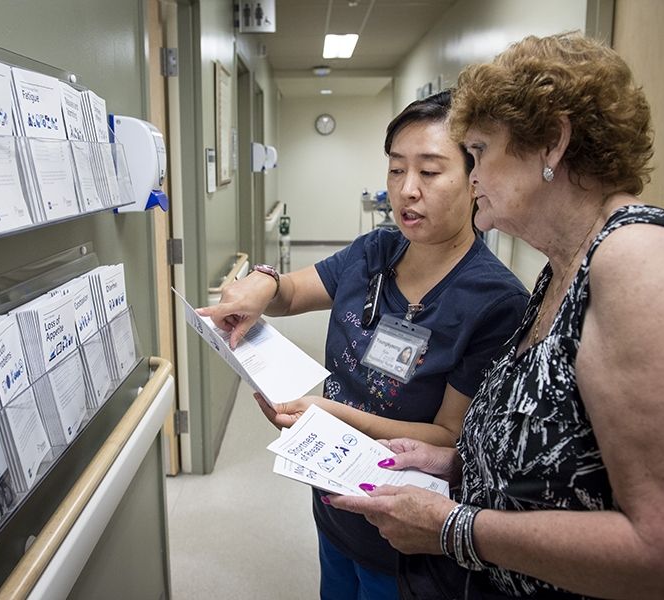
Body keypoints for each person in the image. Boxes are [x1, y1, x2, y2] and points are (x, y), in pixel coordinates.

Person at [327, 32, 664, 599]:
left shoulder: (642, 265)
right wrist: (457, 462)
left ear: (553, 143)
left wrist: (455, 529)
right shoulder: (563, 268)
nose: (472, 178)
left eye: (482, 152)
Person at [199, 91, 529, 600]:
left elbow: (447, 438)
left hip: (403, 529)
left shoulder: (494, 301)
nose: (406, 191)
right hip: (334, 499)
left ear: (475, 177)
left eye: (430, 171)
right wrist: (263, 284)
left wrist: (331, 414)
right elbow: (290, 293)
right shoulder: (378, 249)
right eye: (396, 170)